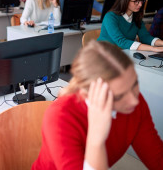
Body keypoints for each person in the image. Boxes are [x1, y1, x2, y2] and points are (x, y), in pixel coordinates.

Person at [31, 41, 163, 170]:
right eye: (119, 96)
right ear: (90, 94)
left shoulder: (133, 101)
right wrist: (96, 138)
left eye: (134, 84)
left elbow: (157, 158)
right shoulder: (60, 117)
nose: (134, 101)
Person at [98, 0, 163, 51]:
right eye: (136, 1)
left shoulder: (136, 17)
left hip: (123, 53)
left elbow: (145, 37)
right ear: (125, 0)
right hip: (102, 53)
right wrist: (154, 49)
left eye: (142, 1)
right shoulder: (110, 17)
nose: (140, 4)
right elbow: (121, 41)